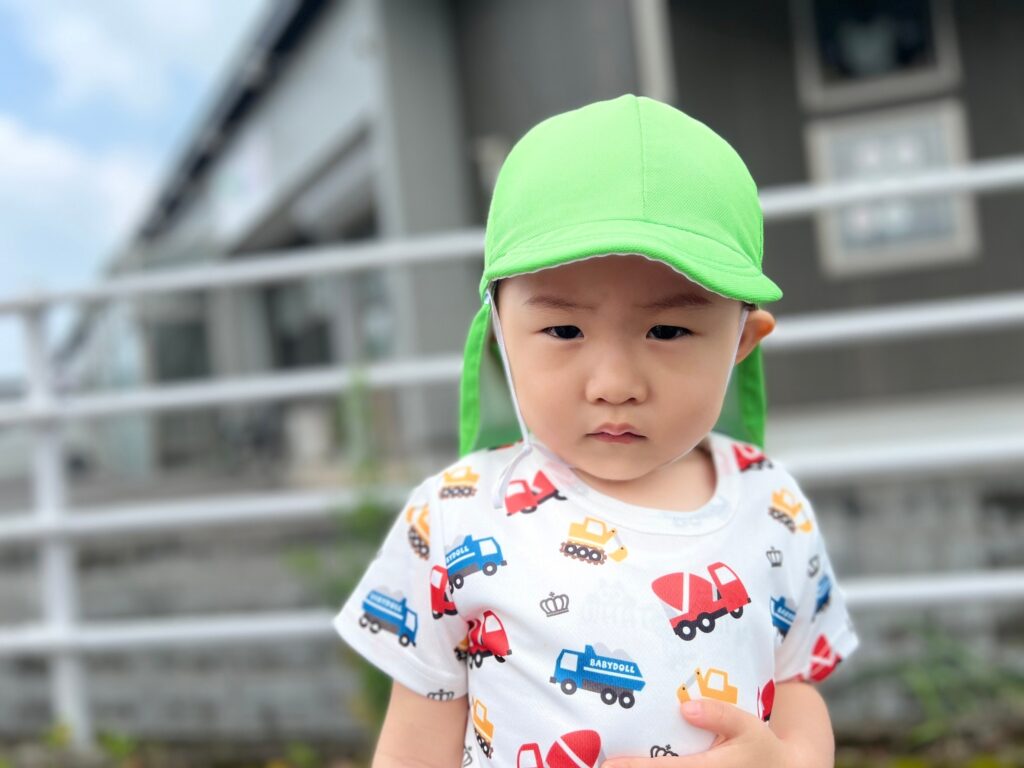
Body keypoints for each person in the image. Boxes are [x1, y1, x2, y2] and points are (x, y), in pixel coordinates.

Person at [334, 94, 859, 767]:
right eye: (563, 330)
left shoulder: (772, 504)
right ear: (500, 333)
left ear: (742, 341)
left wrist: (791, 760)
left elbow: (793, 687)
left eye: (667, 330)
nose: (614, 383)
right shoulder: (455, 515)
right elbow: (416, 740)